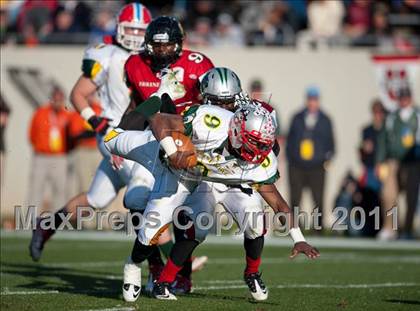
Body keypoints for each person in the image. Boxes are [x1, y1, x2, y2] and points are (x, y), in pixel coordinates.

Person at [104, 95, 320, 301]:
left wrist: (298, 238)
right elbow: (159, 121)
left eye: (263, 145)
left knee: (150, 231)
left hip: (182, 177)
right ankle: (147, 102)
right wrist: (173, 152)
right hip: (158, 150)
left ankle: (131, 264)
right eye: (254, 143)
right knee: (110, 140)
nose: (258, 152)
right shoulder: (210, 121)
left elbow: (278, 204)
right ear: (236, 130)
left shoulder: (258, 164)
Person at [29, 2, 153, 260]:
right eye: (130, 29)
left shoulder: (153, 56)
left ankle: (47, 226)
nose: (134, 36)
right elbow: (78, 94)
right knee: (143, 187)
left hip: (141, 136)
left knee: (96, 199)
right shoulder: (106, 54)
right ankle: (162, 266)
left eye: (140, 31)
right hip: (112, 134)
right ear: (119, 28)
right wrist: (96, 122)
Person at [121, 15, 214, 297]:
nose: (161, 51)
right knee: (135, 199)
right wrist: (120, 138)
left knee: (188, 213)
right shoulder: (135, 64)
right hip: (153, 140)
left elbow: (213, 103)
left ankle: (181, 273)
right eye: (156, 46)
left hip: (189, 142)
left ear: (179, 44)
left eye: (167, 45)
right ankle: (153, 265)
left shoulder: (197, 64)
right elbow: (136, 105)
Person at [286, 86, 335, 229]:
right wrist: (291, 158)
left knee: (318, 199)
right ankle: (295, 227)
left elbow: (331, 144)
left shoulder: (325, 120)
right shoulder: (297, 117)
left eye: (315, 100)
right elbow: (290, 140)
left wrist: (327, 160)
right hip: (297, 165)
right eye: (310, 99)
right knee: (295, 198)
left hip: (317, 166)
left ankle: (318, 227)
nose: (312, 102)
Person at [376, 87, 420, 240]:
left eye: (406, 97)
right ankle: (391, 227)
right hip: (393, 161)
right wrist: (379, 162)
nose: (404, 100)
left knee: (411, 196)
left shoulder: (417, 116)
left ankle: (407, 229)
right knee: (389, 194)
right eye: (401, 98)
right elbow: (383, 140)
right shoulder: (392, 118)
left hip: (412, 162)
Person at [27, 85, 72, 213]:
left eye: (60, 99)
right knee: (36, 189)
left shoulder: (67, 115)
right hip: (41, 157)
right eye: (55, 99)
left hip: (60, 157)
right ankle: (30, 221)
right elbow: (32, 135)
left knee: (60, 190)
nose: (57, 102)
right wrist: (40, 148)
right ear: (51, 99)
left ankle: (57, 222)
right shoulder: (40, 113)